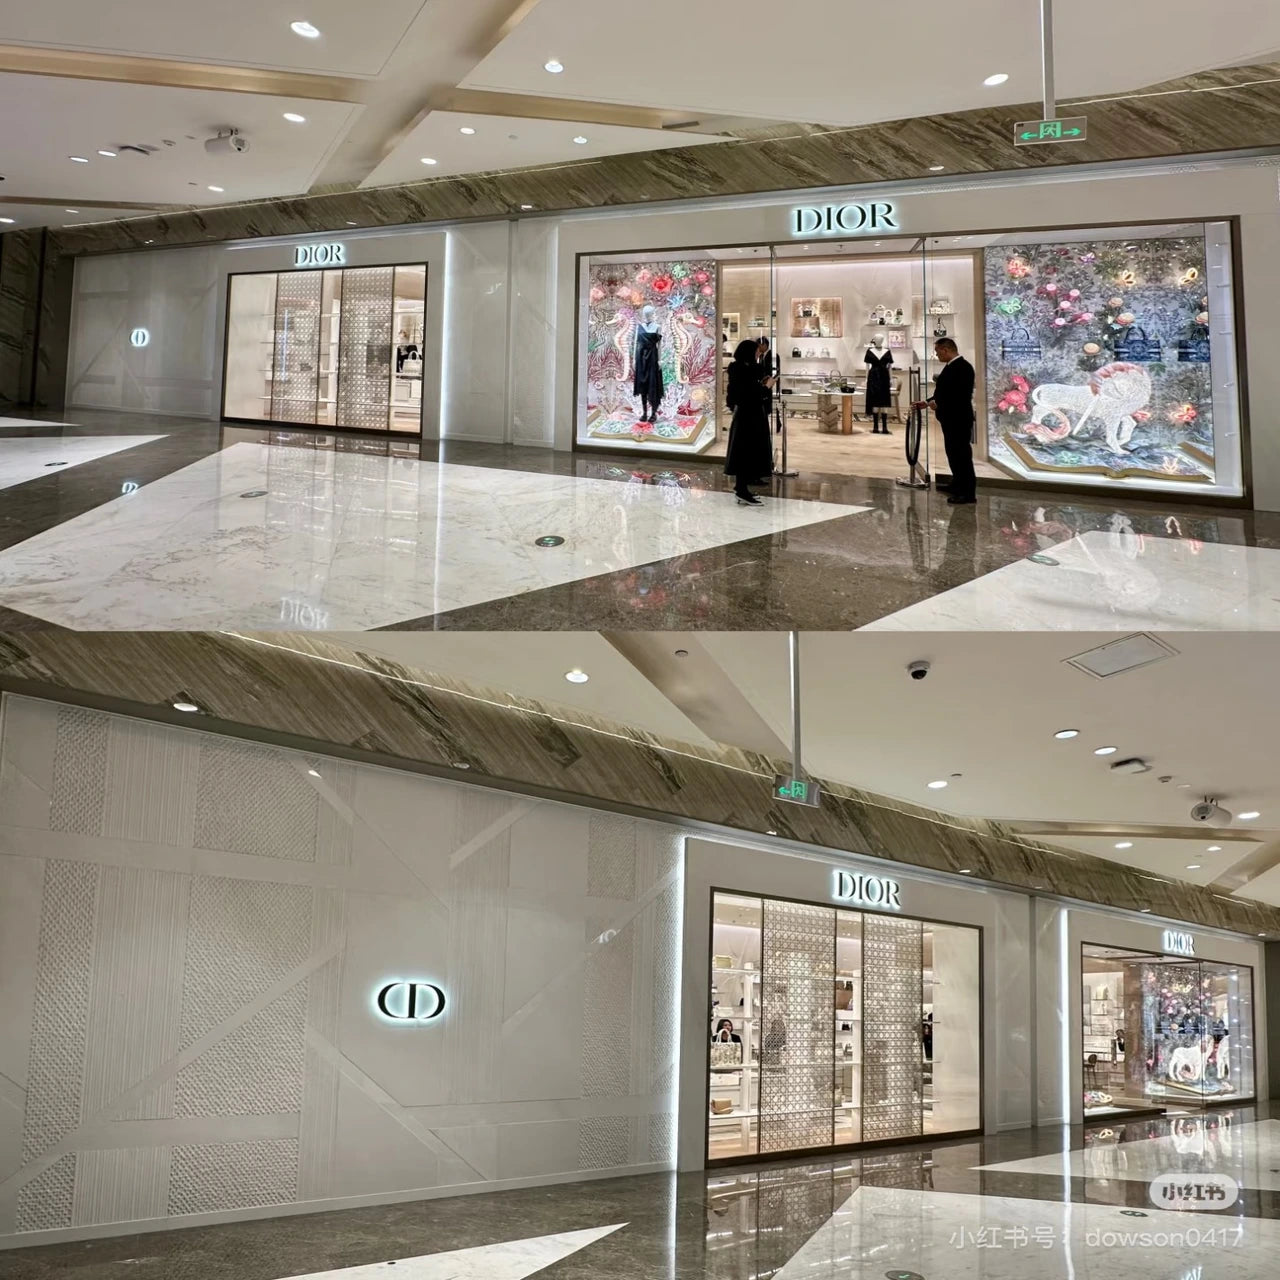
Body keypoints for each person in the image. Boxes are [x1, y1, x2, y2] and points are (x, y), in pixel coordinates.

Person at [918, 337, 976, 505]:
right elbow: (943, 391)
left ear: (945, 349)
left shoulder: (963, 368)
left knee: (961, 455)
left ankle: (967, 493)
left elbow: (959, 396)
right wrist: (928, 402)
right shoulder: (952, 367)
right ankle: (957, 484)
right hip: (950, 419)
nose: (937, 356)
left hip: (958, 418)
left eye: (937, 352)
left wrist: (938, 403)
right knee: (953, 454)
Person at [724, 339, 774, 505]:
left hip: (749, 415)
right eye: (757, 352)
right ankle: (742, 490)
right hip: (748, 417)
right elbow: (747, 393)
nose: (759, 354)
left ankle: (743, 488)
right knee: (745, 452)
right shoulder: (742, 370)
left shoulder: (744, 369)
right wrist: (765, 387)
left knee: (747, 452)